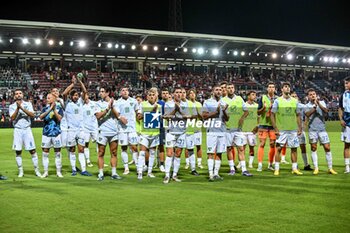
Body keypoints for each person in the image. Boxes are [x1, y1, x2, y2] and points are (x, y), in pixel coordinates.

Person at [270, 82, 303, 176]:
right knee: (279, 148)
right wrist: (275, 128)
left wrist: (300, 127)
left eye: (288, 87)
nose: (287, 88)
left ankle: (294, 169)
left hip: (293, 129)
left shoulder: (295, 101)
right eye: (285, 87)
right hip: (281, 129)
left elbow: (298, 115)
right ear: (282, 89)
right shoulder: (278, 101)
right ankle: (277, 169)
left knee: (294, 149)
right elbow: (272, 114)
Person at [63, 76, 91, 176]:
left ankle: (83, 170)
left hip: (81, 130)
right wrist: (73, 84)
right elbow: (64, 93)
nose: (76, 96)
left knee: (81, 149)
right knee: (72, 150)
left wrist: (80, 82)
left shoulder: (80, 102)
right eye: (74, 95)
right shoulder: (67, 103)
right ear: (71, 96)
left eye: (77, 95)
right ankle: (74, 169)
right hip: (71, 130)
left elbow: (85, 91)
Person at [9, 89, 41, 177]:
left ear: (23, 95)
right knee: (18, 151)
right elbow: (12, 118)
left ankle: (37, 170)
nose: (18, 95)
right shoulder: (12, 106)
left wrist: (22, 108)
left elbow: (32, 115)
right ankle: (20, 171)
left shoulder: (28, 104)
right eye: (16, 94)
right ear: (14, 96)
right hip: (17, 130)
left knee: (33, 150)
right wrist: (17, 108)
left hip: (27, 129)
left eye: (20, 93)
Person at [222, 84, 252, 176]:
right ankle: (232, 168)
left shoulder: (239, 99)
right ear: (226, 90)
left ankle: (244, 169)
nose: (230, 89)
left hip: (238, 129)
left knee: (241, 148)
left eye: (232, 88)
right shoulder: (223, 100)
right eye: (229, 88)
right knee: (229, 148)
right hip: (227, 128)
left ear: (234, 89)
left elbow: (246, 111)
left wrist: (242, 118)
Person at [305, 88, 337, 175]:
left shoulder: (322, 102)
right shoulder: (307, 105)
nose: (312, 96)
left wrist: (318, 104)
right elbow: (307, 114)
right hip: (312, 130)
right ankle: (316, 168)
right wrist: (315, 107)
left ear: (316, 95)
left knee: (327, 148)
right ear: (308, 97)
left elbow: (326, 111)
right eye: (310, 94)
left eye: (314, 94)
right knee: (313, 148)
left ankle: (330, 168)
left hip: (322, 129)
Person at [202, 85, 228, 181]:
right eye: (216, 89)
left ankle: (216, 173)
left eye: (220, 90)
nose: (218, 91)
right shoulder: (207, 102)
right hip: (211, 131)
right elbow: (204, 115)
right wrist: (215, 113)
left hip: (222, 131)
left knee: (219, 153)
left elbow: (227, 119)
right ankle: (210, 174)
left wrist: (224, 111)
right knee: (210, 152)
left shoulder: (224, 102)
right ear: (213, 91)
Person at [95, 86, 121, 181]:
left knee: (114, 153)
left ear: (108, 93)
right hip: (103, 131)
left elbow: (118, 115)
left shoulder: (116, 103)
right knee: (101, 153)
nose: (100, 93)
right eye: (100, 91)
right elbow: (98, 116)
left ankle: (114, 173)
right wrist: (107, 108)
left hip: (114, 131)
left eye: (102, 91)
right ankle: (101, 173)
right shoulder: (98, 104)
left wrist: (112, 106)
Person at [136, 88, 160, 180]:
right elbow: (139, 117)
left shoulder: (159, 106)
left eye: (153, 95)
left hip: (155, 133)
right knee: (142, 153)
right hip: (144, 133)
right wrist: (151, 112)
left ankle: (149, 172)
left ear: (156, 96)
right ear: (147, 96)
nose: (151, 96)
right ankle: (140, 172)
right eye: (149, 94)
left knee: (152, 153)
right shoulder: (142, 104)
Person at [115, 87, 139, 175]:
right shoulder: (118, 102)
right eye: (123, 90)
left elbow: (138, 111)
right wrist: (120, 118)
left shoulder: (134, 101)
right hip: (122, 129)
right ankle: (126, 168)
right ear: (120, 93)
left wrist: (139, 115)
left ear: (129, 92)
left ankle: (138, 167)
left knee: (134, 148)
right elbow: (116, 114)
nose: (125, 92)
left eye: (126, 90)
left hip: (132, 128)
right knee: (123, 148)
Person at [39, 93, 64, 178]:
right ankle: (45, 172)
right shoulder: (45, 108)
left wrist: (54, 110)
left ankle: (58, 172)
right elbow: (41, 117)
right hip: (46, 133)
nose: (47, 99)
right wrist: (50, 109)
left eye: (49, 98)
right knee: (45, 153)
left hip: (56, 133)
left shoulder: (59, 108)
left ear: (54, 99)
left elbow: (60, 118)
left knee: (57, 153)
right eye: (47, 98)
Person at [257, 82, 279, 172]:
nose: (271, 88)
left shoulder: (278, 99)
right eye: (269, 87)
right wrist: (264, 108)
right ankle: (260, 164)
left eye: (273, 87)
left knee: (272, 144)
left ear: (275, 89)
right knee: (262, 144)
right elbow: (258, 112)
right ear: (267, 89)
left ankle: (270, 164)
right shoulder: (263, 98)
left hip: (273, 125)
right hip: (263, 124)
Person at [291, 91, 312, 170]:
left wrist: (305, 124)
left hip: (300, 129)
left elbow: (307, 115)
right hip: (291, 129)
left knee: (303, 146)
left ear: (297, 98)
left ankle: (306, 164)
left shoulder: (302, 106)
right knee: (293, 147)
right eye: (292, 96)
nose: (294, 97)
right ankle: (294, 166)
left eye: (295, 96)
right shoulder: (289, 106)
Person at [242, 91, 258, 169]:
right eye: (253, 94)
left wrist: (257, 127)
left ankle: (250, 163)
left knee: (251, 147)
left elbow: (259, 118)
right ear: (248, 96)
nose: (254, 96)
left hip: (252, 130)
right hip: (244, 129)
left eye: (255, 95)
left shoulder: (257, 106)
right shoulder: (244, 105)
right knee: (242, 148)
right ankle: (242, 163)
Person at [188, 89, 204, 169]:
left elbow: (202, 118)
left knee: (198, 146)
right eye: (190, 93)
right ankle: (188, 163)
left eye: (193, 93)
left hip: (197, 128)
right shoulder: (186, 103)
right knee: (189, 147)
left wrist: (198, 113)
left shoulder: (199, 104)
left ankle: (199, 163)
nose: (192, 94)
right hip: (189, 128)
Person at [81, 93, 98, 168]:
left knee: (99, 143)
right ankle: (88, 160)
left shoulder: (94, 104)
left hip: (94, 127)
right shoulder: (81, 106)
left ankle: (100, 160)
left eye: (85, 95)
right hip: (85, 128)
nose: (84, 96)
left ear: (88, 95)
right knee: (86, 144)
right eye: (82, 95)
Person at [339, 76, 350, 174]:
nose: (345, 85)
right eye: (345, 83)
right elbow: (340, 108)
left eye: (347, 83)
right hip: (347, 123)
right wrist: (341, 119)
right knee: (347, 145)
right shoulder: (343, 95)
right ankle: (347, 166)